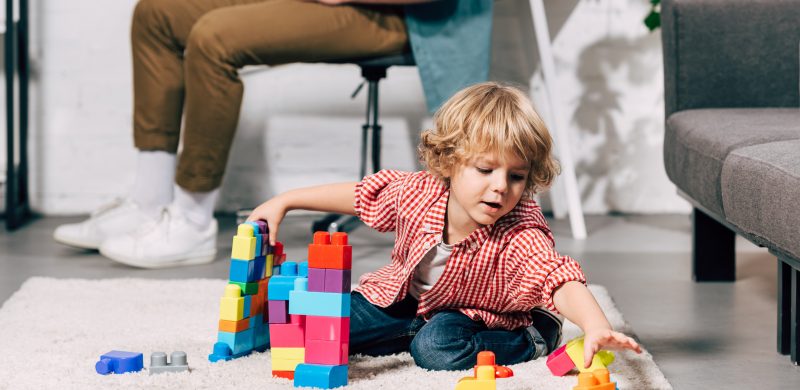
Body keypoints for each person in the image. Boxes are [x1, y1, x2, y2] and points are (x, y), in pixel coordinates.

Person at [52, 0, 493, 268]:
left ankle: (190, 221)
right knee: (157, 13)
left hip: (401, 13)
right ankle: (150, 201)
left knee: (214, 38)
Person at [246, 82, 642, 370]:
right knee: (313, 326)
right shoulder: (419, 192)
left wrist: (595, 326)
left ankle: (534, 337)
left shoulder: (521, 230)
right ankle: (400, 332)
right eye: (485, 169)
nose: (501, 187)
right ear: (450, 162)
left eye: (517, 176)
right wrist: (287, 200)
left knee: (435, 350)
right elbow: (362, 194)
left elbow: (559, 278)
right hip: (404, 300)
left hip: (475, 314)